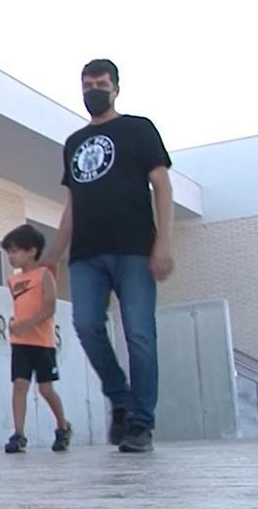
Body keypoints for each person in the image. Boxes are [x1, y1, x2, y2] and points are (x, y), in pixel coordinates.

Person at [41, 59, 174, 453]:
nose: (92, 90)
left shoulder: (138, 129)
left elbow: (162, 186)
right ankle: (120, 397)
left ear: (115, 88)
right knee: (85, 325)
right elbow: (72, 205)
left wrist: (163, 241)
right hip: (86, 255)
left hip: (134, 249)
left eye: (100, 83)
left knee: (139, 335)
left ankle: (140, 423)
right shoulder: (74, 143)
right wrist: (53, 253)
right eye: (86, 84)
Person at [0, 224, 71, 453]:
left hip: (42, 343)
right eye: (8, 252)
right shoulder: (12, 281)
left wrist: (28, 324)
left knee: (45, 389)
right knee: (19, 385)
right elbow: (19, 307)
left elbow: (49, 307)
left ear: (31, 251)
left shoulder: (44, 275)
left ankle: (62, 426)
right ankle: (19, 434)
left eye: (15, 250)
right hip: (20, 344)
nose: (11, 256)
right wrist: (14, 324)